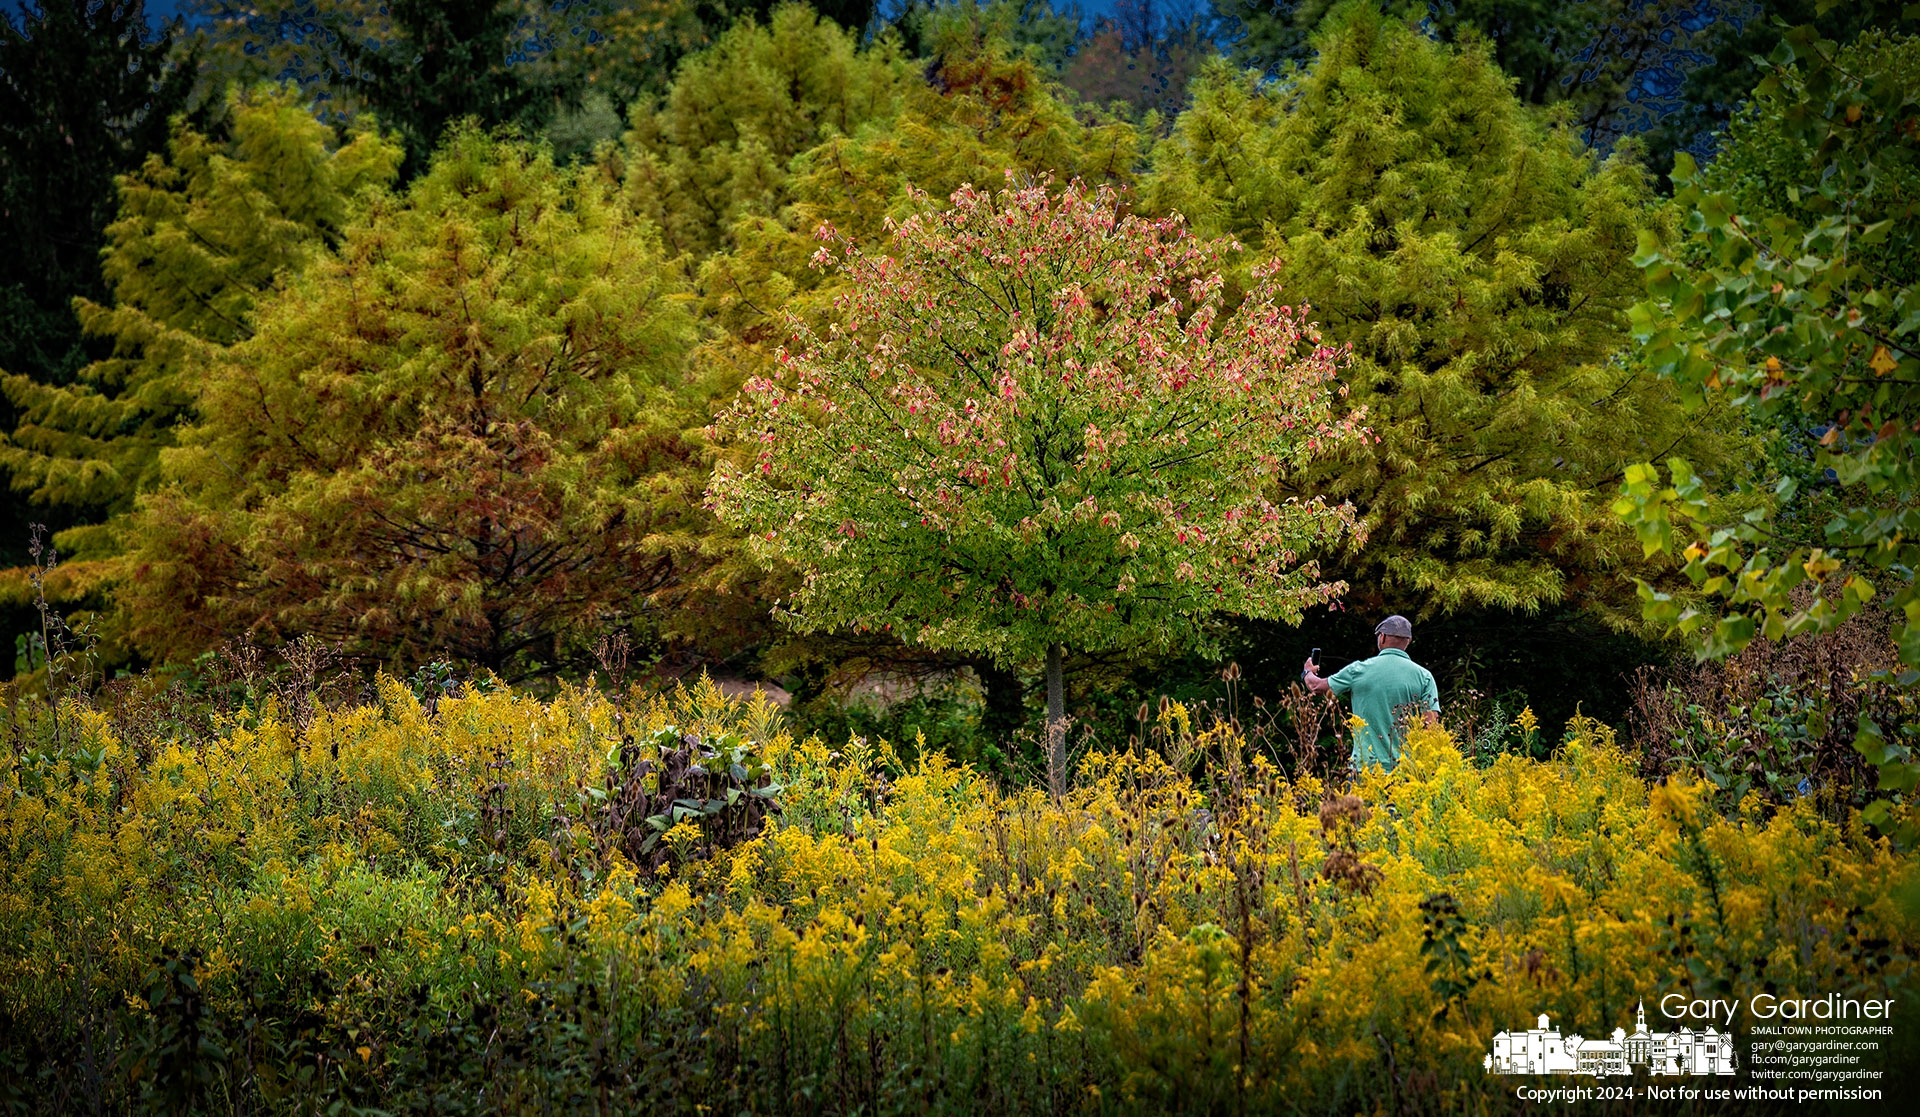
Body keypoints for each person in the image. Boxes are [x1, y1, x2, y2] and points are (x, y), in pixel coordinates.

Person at [1301, 615, 1440, 772]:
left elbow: (1317, 687)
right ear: (1408, 640)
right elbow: (1431, 727)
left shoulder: (1359, 670)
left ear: (1382, 637)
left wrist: (1307, 672)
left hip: (1365, 770)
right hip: (1405, 774)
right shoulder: (1424, 677)